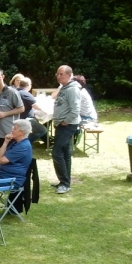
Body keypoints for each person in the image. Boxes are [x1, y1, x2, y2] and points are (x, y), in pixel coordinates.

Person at [52, 65, 81, 195]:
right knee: (65, 154)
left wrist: (64, 122)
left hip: (68, 125)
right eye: (57, 74)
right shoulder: (63, 88)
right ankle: (65, 181)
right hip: (61, 124)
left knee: (57, 153)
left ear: (69, 75)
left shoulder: (73, 90)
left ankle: (64, 183)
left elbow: (75, 110)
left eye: (61, 74)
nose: (58, 76)